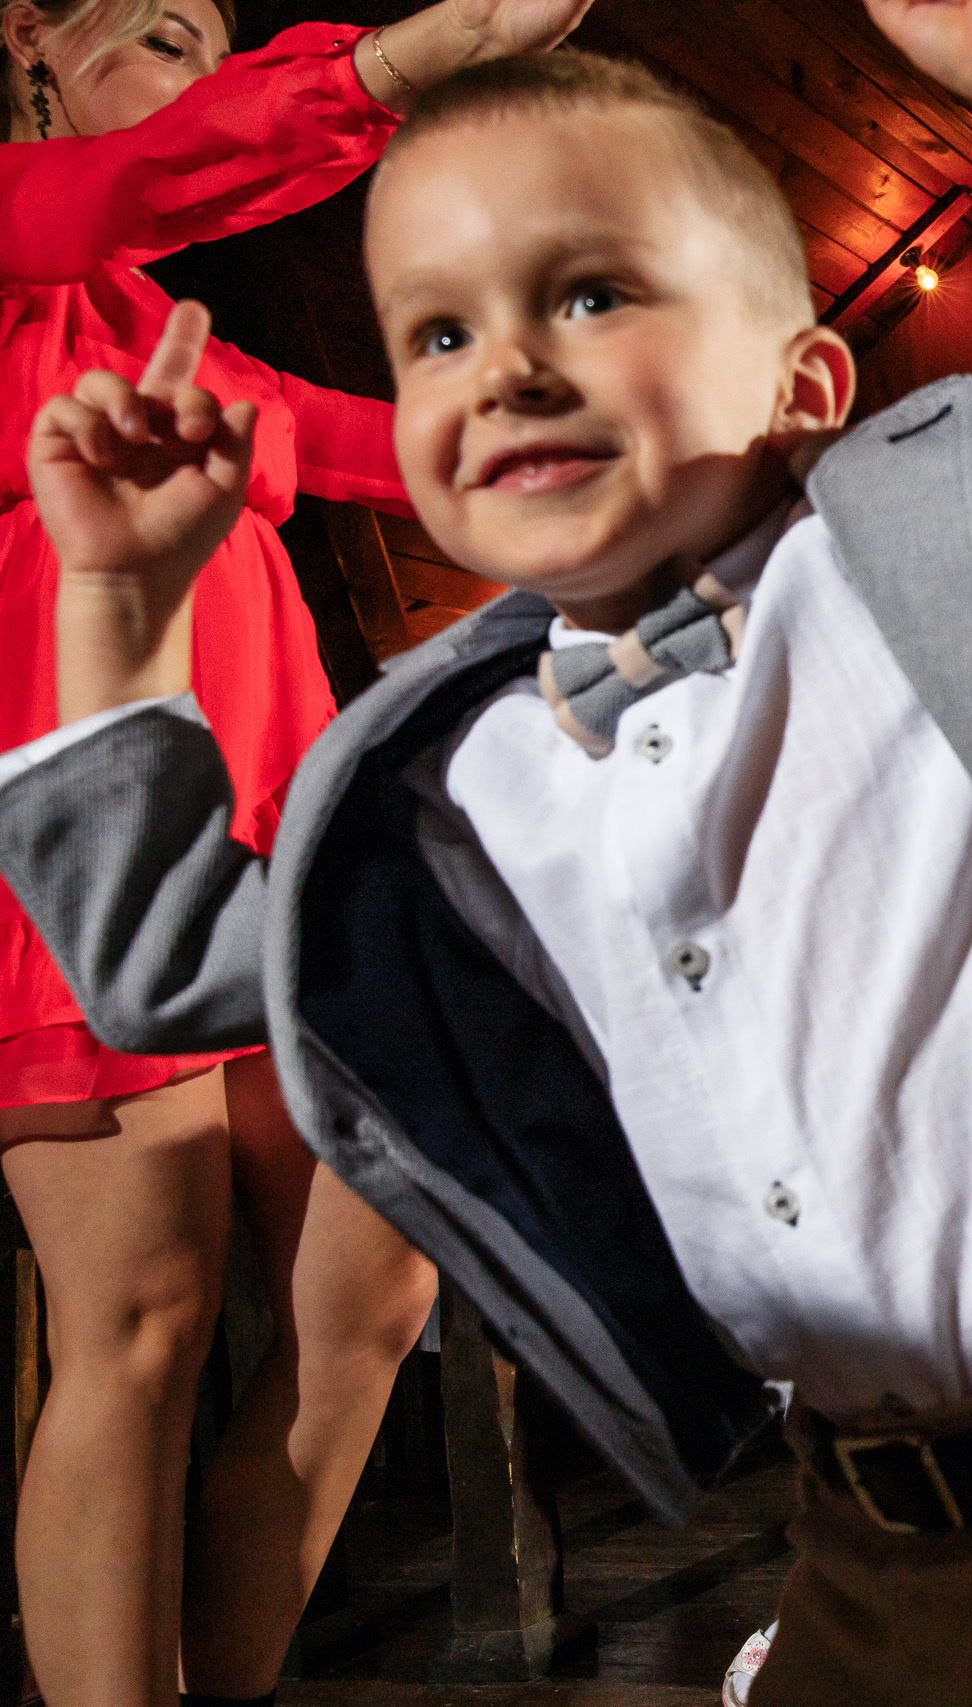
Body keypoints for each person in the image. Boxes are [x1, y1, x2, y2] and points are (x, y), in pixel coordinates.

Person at [0, 1, 972, 1700]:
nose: (507, 361)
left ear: (807, 382)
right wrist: (115, 616)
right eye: (435, 334)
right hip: (851, 1538)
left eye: (590, 294)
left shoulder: (940, 561)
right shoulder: (488, 775)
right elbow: (167, 961)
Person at [0, 3, 585, 1702]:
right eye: (167, 28)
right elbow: (135, 182)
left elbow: (376, 445)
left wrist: (616, 439)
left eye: (222, 42)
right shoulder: (34, 230)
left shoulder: (165, 339)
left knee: (374, 1292)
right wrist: (413, 54)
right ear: (34, 35)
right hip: (82, 848)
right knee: (144, 1312)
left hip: (277, 860)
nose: (205, 69)